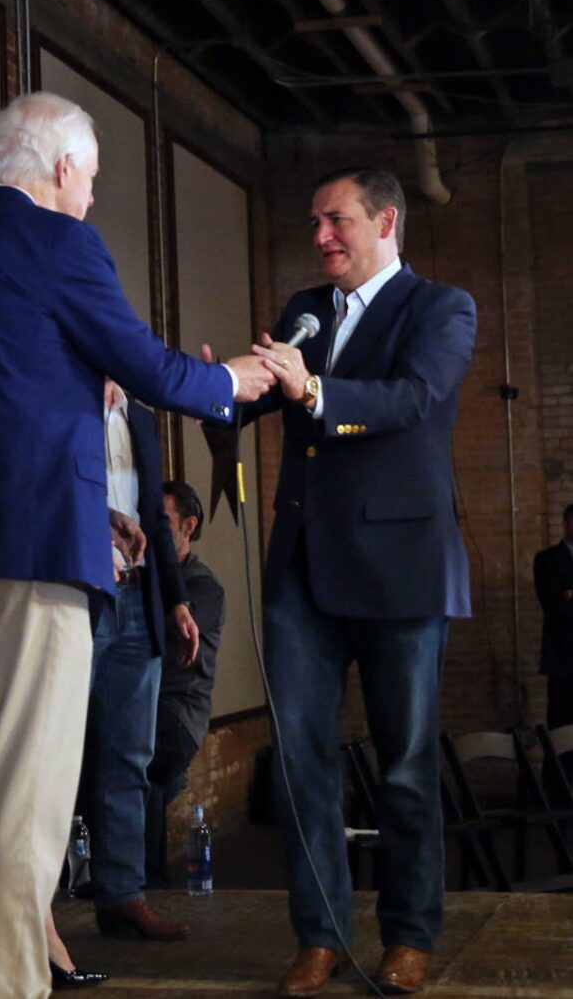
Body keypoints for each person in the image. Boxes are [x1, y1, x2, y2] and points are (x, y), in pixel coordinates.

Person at [0, 91, 275, 999]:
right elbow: (150, 368)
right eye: (90, 178)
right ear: (59, 168)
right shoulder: (60, 242)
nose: (90, 197)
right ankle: (11, 986)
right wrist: (232, 379)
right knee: (23, 794)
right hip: (35, 557)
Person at [246, 167, 476, 997]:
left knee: (408, 764)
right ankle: (322, 936)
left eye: (335, 221)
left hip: (401, 574)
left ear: (385, 221)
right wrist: (210, 386)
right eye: (314, 223)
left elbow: (413, 398)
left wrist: (315, 388)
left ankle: (410, 936)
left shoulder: (443, 308)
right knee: (302, 763)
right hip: (301, 572)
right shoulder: (303, 311)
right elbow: (261, 390)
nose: (320, 238)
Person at [82, 380, 196, 941]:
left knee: (131, 755)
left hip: (139, 597)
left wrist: (175, 600)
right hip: (77, 594)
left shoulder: (143, 419)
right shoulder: (59, 396)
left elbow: (155, 515)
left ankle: (122, 895)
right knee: (49, 756)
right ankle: (29, 909)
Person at [145, 480, 225, 886]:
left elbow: (160, 635)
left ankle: (144, 885)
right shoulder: (146, 575)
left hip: (178, 714)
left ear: (188, 525)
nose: (151, 528)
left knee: (130, 754)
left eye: (163, 520)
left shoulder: (202, 586)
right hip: (147, 705)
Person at [533, 504, 573, 733]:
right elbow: (554, 606)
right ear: (566, 524)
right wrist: (564, 598)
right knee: (562, 725)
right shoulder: (547, 559)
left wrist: (570, 594)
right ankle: (560, 770)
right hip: (563, 657)